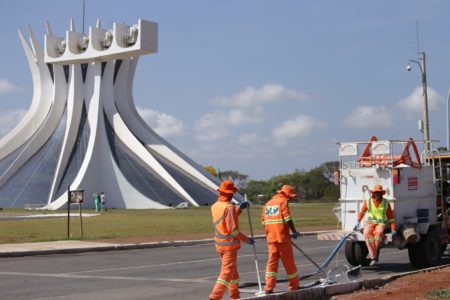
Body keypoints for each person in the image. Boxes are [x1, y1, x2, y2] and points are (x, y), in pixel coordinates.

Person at [209, 180, 254, 300]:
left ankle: (235, 296)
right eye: (233, 192)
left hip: (220, 245)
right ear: (229, 193)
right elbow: (233, 230)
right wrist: (247, 240)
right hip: (229, 246)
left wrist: (238, 209)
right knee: (227, 273)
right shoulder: (229, 207)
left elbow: (225, 220)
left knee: (233, 273)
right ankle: (215, 296)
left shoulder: (215, 206)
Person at [261, 184, 300, 294]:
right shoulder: (283, 202)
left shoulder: (267, 204)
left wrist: (272, 231)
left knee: (272, 264)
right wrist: (294, 231)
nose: (291, 198)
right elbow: (288, 218)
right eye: (291, 196)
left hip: (271, 239)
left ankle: (269, 287)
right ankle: (294, 285)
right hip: (282, 238)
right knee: (289, 263)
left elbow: (263, 222)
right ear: (286, 194)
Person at [354, 184, 397, 267]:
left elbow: (390, 217)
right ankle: (374, 257)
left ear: (382, 193)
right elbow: (362, 212)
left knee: (379, 233)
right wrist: (358, 222)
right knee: (366, 233)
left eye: (379, 192)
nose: (378, 194)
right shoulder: (368, 201)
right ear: (373, 193)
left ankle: (373, 256)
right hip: (370, 223)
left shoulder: (385, 202)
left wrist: (393, 228)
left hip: (380, 224)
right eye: (376, 192)